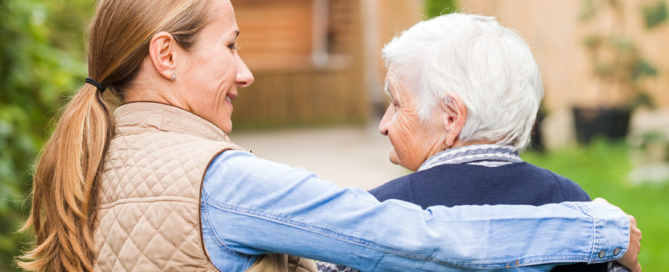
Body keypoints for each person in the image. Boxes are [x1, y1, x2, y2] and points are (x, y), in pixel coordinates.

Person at [17, 0, 640, 272]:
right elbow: (416, 241)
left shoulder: (94, 159)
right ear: (166, 55)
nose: (245, 71)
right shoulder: (219, 182)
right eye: (230, 46)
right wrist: (601, 230)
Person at [316, 13, 641, 272]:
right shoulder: (582, 212)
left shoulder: (375, 217)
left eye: (397, 103)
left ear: (451, 117)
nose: (384, 125)